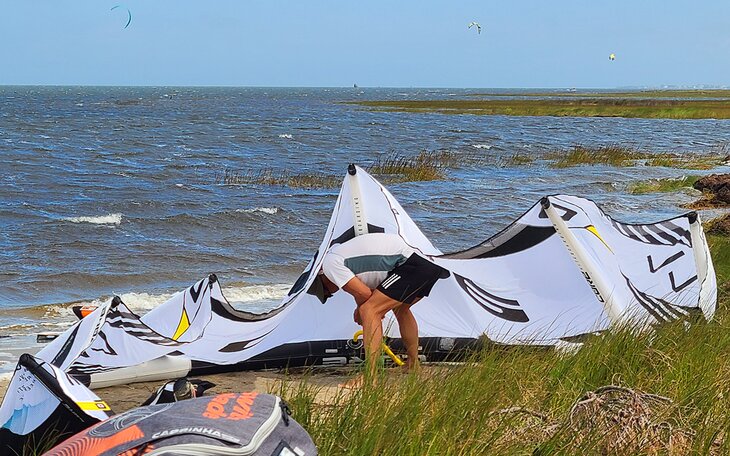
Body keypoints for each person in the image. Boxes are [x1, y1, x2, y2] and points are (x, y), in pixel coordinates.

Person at [308, 232, 450, 376]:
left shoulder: (330, 264)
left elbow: (364, 294)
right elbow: (365, 292)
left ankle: (370, 377)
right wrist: (364, 309)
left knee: (369, 311)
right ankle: (413, 364)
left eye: (326, 292)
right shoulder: (337, 253)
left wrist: (362, 311)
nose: (332, 293)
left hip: (412, 263)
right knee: (400, 309)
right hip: (429, 264)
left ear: (321, 276)